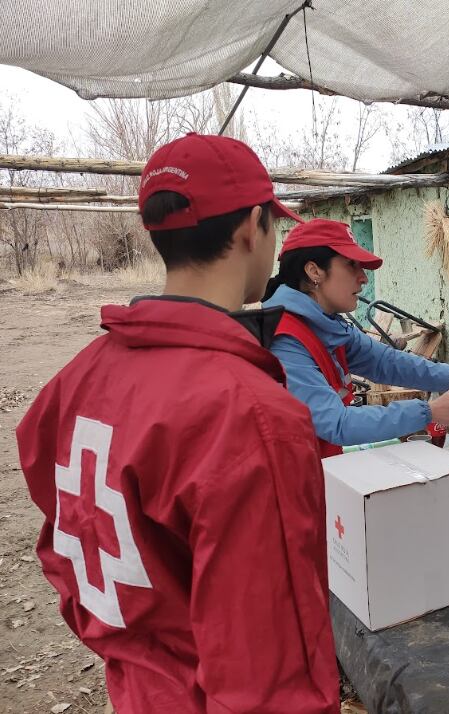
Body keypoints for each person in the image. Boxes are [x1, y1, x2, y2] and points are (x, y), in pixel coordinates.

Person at [16, 133, 339, 712]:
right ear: (251, 228)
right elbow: (268, 678)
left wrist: (141, 645)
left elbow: (62, 544)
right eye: (274, 226)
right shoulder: (253, 416)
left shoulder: (74, 380)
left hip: (137, 689)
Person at [262, 218, 449, 454]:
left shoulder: (329, 326)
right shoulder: (285, 340)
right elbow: (337, 424)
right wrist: (430, 411)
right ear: (314, 271)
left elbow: (388, 362)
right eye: (352, 265)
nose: (363, 278)